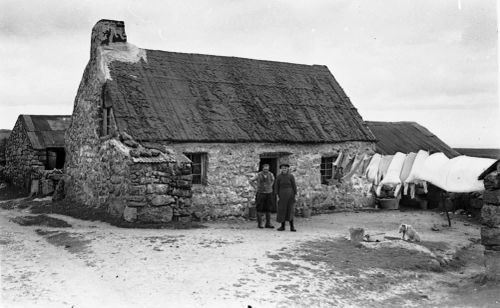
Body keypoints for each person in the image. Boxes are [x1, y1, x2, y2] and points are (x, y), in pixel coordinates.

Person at [250, 164, 275, 229]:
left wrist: (270, 186)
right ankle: (260, 223)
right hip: (260, 193)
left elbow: (273, 180)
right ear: (262, 169)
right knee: (259, 208)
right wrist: (255, 187)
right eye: (264, 169)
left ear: (268, 169)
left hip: (269, 193)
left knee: (268, 208)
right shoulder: (258, 175)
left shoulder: (271, 174)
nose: (266, 170)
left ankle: (268, 223)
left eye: (267, 169)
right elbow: (251, 180)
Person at [274, 163, 297, 232]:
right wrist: (277, 195)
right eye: (283, 168)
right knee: (282, 210)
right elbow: (276, 186)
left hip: (290, 195)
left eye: (286, 168)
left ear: (288, 169)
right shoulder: (279, 177)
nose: (284, 169)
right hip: (282, 195)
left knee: (290, 210)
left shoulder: (291, 176)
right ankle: (282, 226)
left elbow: (294, 186)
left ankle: (292, 226)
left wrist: (295, 194)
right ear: (281, 169)